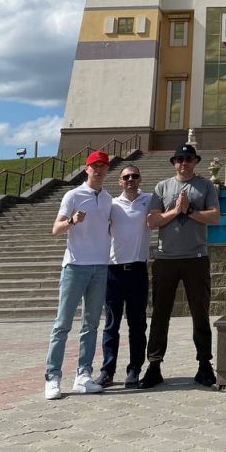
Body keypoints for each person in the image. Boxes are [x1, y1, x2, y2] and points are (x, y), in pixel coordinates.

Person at [139, 143, 220, 389]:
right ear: (174, 162)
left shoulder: (205, 186)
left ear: (195, 161)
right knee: (160, 314)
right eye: (180, 159)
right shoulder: (162, 187)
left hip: (196, 257)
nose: (184, 163)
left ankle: (204, 364)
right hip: (166, 259)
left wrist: (190, 210)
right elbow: (152, 221)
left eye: (188, 159)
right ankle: (154, 365)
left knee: (200, 313)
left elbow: (214, 216)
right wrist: (176, 211)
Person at [44, 150, 113, 399]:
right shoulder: (73, 195)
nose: (99, 170)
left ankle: (83, 375)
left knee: (91, 325)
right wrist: (71, 221)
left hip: (100, 266)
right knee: (62, 324)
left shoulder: (108, 199)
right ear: (87, 168)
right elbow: (55, 229)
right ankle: (52, 376)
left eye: (103, 166)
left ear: (107, 170)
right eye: (95, 166)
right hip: (75, 266)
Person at [98, 165, 151, 389]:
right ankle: (107, 370)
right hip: (113, 271)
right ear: (119, 181)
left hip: (138, 269)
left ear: (140, 179)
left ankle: (134, 369)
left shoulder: (149, 200)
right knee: (111, 324)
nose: (130, 179)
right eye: (126, 177)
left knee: (137, 325)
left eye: (134, 176)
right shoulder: (112, 204)